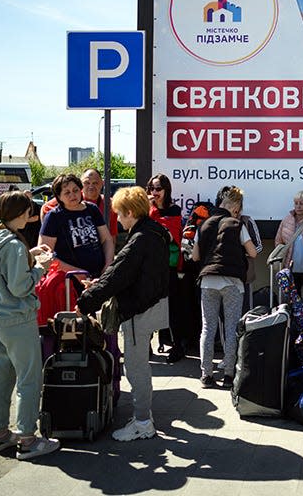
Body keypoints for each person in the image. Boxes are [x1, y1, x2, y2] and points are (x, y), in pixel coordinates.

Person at [75, 187, 170, 441]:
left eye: (119, 213)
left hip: (139, 309)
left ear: (130, 212)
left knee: (136, 368)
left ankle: (142, 422)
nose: (117, 219)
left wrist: (86, 301)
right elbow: (122, 271)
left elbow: (118, 274)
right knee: (139, 366)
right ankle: (142, 419)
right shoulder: (156, 232)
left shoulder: (139, 239)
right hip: (154, 305)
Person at [0, 191, 60, 460]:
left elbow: (2, 267)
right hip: (18, 320)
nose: (30, 218)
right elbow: (21, 286)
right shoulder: (12, 245)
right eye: (28, 213)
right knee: (29, 379)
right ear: (19, 214)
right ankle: (27, 439)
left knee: (0, 376)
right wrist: (41, 267)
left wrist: (29, 255)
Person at [193, 186, 257, 388]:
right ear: (235, 205)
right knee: (231, 328)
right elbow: (253, 253)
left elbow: (195, 256)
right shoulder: (236, 224)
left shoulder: (203, 225)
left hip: (208, 281)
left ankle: (206, 375)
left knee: (207, 328)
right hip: (232, 282)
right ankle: (229, 375)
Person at [39, 174, 114, 278]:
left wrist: (108, 263)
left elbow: (107, 239)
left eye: (75, 190)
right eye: (67, 192)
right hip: (68, 281)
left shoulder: (92, 209)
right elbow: (44, 254)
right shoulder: (53, 216)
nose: (72, 195)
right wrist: (76, 272)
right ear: (59, 196)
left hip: (98, 276)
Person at [147, 173, 186, 363]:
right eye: (152, 189)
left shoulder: (174, 210)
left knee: (173, 308)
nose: (154, 192)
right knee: (146, 307)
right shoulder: (147, 209)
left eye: (158, 189)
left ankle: (178, 345)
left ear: (166, 190)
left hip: (168, 266)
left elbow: (171, 235)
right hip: (149, 267)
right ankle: (146, 345)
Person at [273, 190, 303, 317]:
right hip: (291, 268)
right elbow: (279, 241)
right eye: (296, 203)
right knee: (291, 304)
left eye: (302, 203)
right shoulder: (287, 220)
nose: (298, 206)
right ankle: (292, 331)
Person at [41, 169, 118, 238]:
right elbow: (45, 208)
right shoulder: (72, 197)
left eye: (95, 183)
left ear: (102, 183)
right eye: (87, 183)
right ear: (81, 184)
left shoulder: (109, 204)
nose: (91, 186)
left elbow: (111, 236)